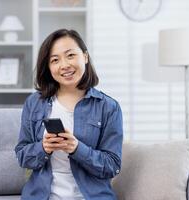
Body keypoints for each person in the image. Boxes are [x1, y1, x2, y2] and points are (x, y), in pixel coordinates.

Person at [15, 29, 123, 200]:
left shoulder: (108, 107)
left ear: (85, 57)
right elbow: (22, 157)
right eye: (55, 60)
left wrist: (77, 148)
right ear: (49, 67)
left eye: (70, 55)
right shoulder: (34, 103)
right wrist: (43, 147)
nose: (64, 65)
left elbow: (112, 166)